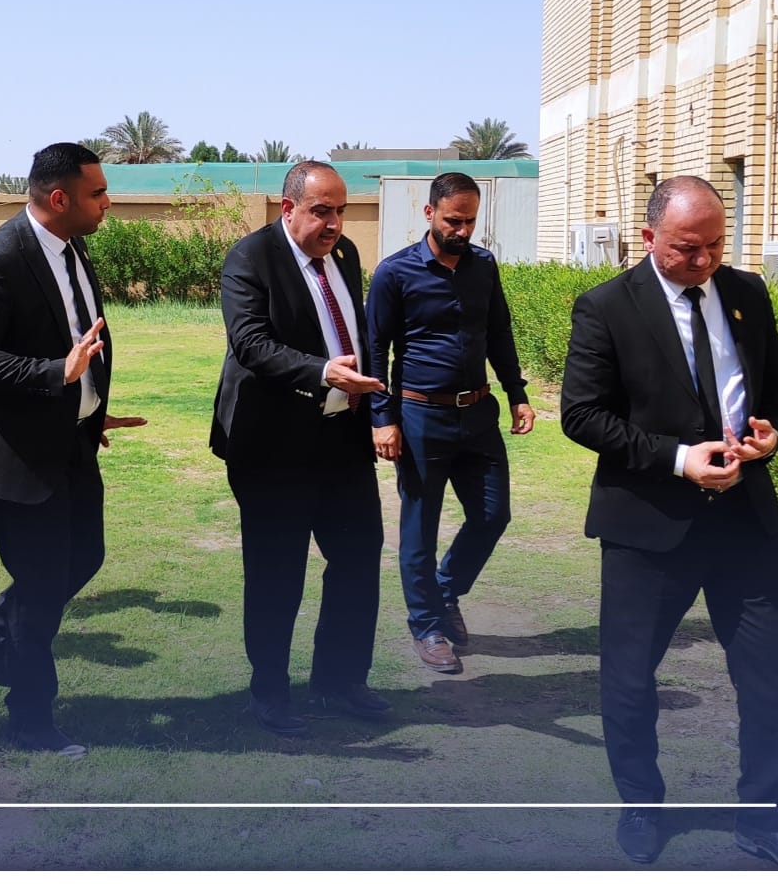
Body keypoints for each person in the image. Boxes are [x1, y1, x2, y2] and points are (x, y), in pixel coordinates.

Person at [559, 175, 778, 870]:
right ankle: (642, 804)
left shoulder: (747, 294)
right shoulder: (606, 307)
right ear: (649, 238)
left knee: (773, 677)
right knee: (630, 677)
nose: (703, 260)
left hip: (744, 519)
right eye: (685, 248)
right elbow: (581, 415)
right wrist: (679, 460)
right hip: (649, 524)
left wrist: (771, 434)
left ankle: (766, 821)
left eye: (715, 245)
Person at [0, 142, 145, 757]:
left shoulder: (73, 247)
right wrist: (58, 373)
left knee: (84, 557)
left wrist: (89, 407)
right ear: (59, 198)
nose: (107, 203)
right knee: (40, 582)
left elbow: (75, 336)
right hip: (15, 454)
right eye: (97, 193)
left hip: (71, 440)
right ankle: (30, 719)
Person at [210, 161, 390, 736]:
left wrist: (375, 406)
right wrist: (323, 372)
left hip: (342, 440)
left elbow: (357, 333)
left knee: (358, 558)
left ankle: (339, 682)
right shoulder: (250, 258)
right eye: (321, 211)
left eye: (341, 211)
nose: (334, 223)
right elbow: (250, 344)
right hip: (272, 446)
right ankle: (269, 692)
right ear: (288, 208)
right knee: (277, 574)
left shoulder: (345, 254)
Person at [366, 171, 535, 674]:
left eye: (470, 221)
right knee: (420, 528)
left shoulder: (484, 266)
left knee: (492, 515)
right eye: (453, 221)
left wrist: (518, 394)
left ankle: (444, 592)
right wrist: (382, 417)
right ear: (429, 213)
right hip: (421, 416)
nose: (462, 231)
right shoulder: (394, 273)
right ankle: (427, 626)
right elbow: (376, 348)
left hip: (479, 414)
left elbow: (499, 332)